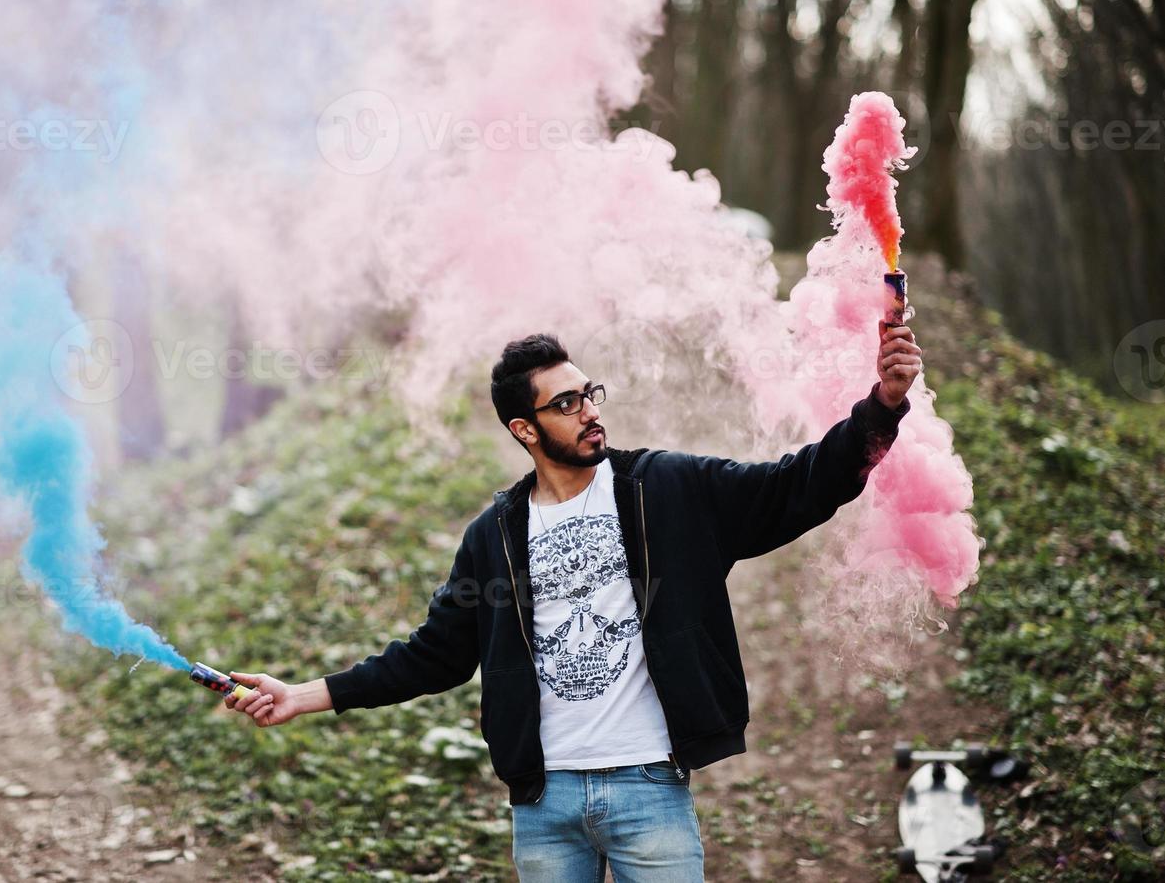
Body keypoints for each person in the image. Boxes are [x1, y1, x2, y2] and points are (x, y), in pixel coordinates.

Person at [223, 323, 922, 881]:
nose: (588, 413)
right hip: (543, 803)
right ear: (523, 430)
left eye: (589, 394)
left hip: (648, 785)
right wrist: (305, 695)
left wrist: (881, 406)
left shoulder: (669, 489)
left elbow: (799, 484)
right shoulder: (494, 535)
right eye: (565, 404)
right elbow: (435, 655)